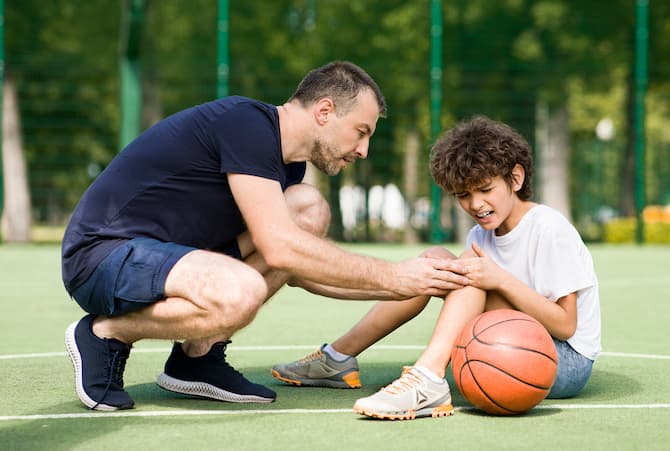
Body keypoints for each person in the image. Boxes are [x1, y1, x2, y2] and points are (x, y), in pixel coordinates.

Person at [61, 61, 471, 411]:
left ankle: (196, 358)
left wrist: (412, 286)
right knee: (241, 290)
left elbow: (295, 266)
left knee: (307, 208)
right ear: (325, 111)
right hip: (103, 255)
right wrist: (393, 275)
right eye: (361, 131)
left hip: (168, 256)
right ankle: (106, 333)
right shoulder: (247, 124)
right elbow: (279, 247)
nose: (363, 150)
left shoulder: (286, 166)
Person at [272, 115, 601, 420]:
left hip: (563, 360)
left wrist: (499, 280)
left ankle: (428, 378)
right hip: (511, 341)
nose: (476, 204)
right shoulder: (480, 235)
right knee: (435, 262)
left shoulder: (547, 227)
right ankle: (338, 358)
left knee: (467, 276)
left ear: (515, 178)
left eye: (486, 190)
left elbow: (565, 325)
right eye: (463, 195)